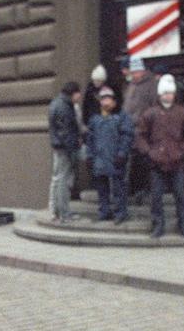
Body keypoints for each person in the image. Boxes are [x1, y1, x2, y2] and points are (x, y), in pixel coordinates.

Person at [136, 74, 184, 239]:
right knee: (156, 197)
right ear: (160, 94)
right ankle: (157, 225)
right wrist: (149, 152)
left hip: (177, 161)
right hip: (156, 162)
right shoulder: (149, 113)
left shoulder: (183, 113)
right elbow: (140, 136)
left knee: (181, 195)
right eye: (165, 93)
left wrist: (183, 151)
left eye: (171, 93)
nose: (168, 96)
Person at [85, 86, 134, 224]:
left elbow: (127, 136)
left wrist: (122, 153)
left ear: (114, 100)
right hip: (99, 159)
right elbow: (89, 139)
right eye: (103, 99)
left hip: (116, 158)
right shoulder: (94, 118)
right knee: (102, 188)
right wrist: (89, 156)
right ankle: (104, 211)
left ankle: (120, 213)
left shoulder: (122, 116)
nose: (106, 102)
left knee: (119, 188)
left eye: (108, 98)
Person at [121, 56, 160, 205]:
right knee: (131, 162)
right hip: (129, 129)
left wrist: (143, 121)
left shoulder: (151, 85)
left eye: (136, 71)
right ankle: (133, 189)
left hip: (144, 130)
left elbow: (153, 106)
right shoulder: (131, 84)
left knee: (144, 161)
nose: (133, 74)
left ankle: (145, 190)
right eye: (132, 71)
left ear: (142, 71)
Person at [47, 81, 83, 223]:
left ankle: (54, 211)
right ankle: (64, 213)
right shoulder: (65, 107)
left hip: (58, 146)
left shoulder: (56, 103)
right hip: (65, 148)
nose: (79, 96)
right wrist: (72, 151)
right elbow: (66, 132)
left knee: (56, 179)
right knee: (63, 181)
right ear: (73, 93)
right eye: (78, 93)